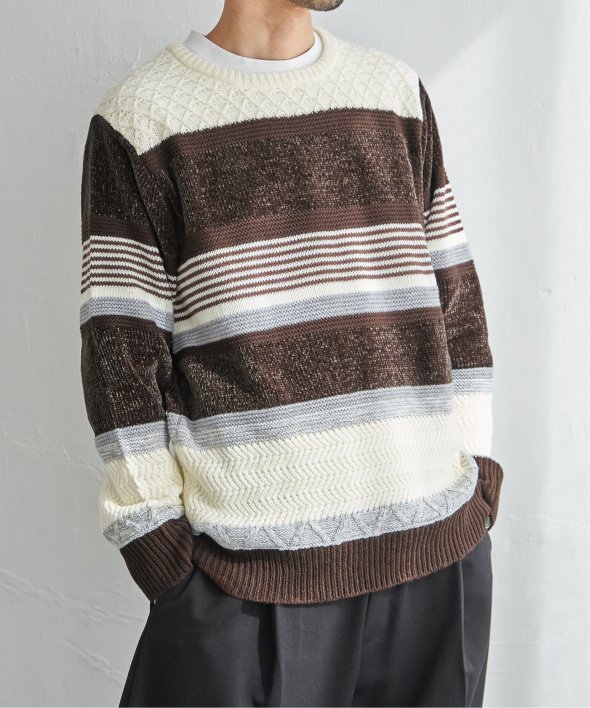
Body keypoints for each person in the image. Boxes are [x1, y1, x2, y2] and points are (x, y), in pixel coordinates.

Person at [79, 0, 504, 705]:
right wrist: (160, 549)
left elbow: (455, 300)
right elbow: (119, 355)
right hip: (247, 581)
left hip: (437, 556)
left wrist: (478, 480)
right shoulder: (142, 119)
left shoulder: (393, 92)